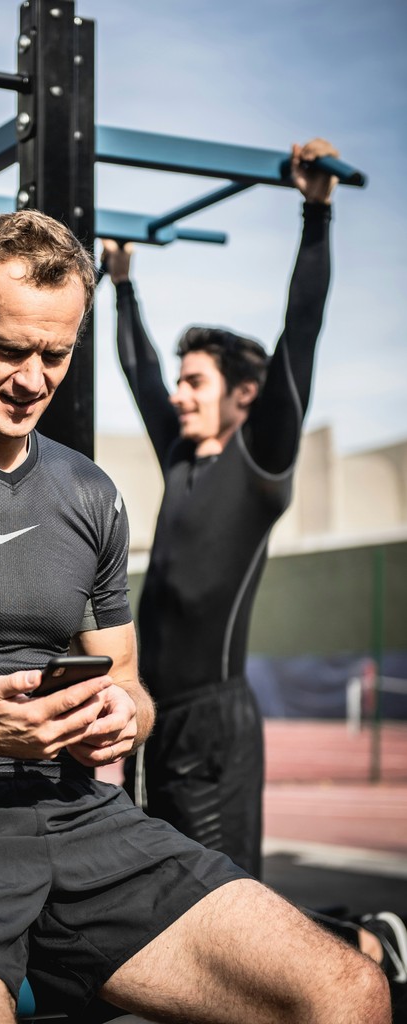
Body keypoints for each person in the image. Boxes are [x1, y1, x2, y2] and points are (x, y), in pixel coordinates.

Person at [0, 209, 389, 1024]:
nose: (32, 379)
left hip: (79, 821)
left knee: (347, 990)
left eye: (55, 355)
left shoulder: (92, 493)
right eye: (9, 350)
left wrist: (117, 715)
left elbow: (130, 685)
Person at [101, 137, 341, 879]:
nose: (178, 392)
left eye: (195, 381)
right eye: (181, 379)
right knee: (171, 905)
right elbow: (138, 370)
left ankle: (364, 943)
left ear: (242, 394)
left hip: (214, 717)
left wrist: (314, 212)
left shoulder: (260, 458)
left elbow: (297, 334)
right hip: (153, 713)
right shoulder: (181, 456)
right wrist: (123, 285)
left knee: (231, 905)